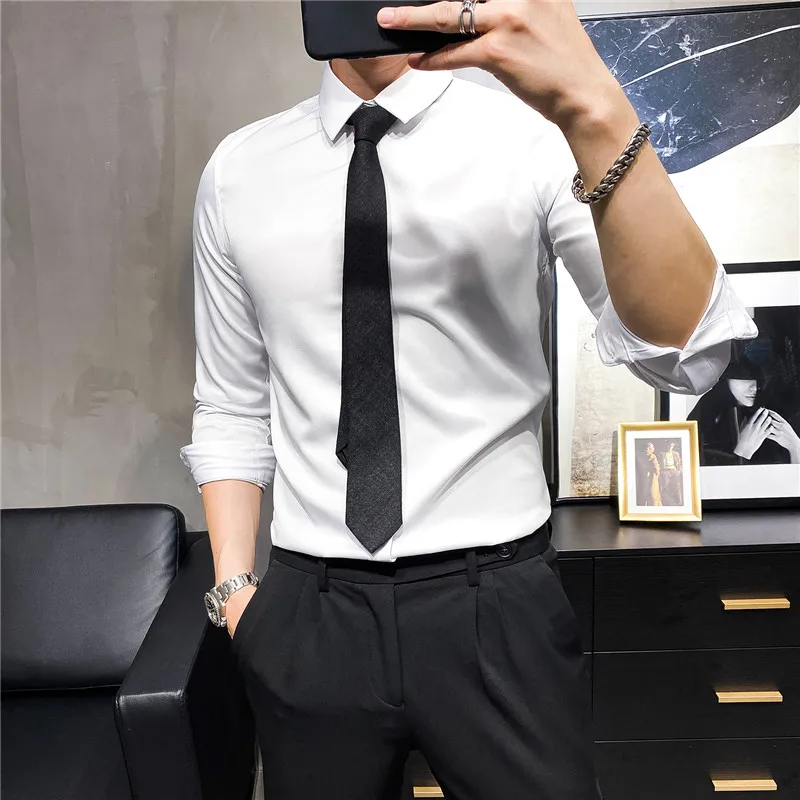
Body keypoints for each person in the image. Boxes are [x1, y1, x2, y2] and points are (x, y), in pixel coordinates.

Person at [178, 2, 758, 798]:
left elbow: (686, 356)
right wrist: (237, 594)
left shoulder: (535, 136)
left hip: (497, 609)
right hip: (310, 615)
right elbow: (231, 404)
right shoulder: (239, 171)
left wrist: (597, 107)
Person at [688, 349, 800, 466]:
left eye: (756, 380)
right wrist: (742, 452)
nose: (754, 387)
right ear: (725, 379)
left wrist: (795, 446)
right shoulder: (707, 412)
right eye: (744, 379)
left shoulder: (768, 414)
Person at [660, 441, 683, 505]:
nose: (670, 447)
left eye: (671, 446)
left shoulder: (676, 454)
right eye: (668, 445)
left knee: (676, 486)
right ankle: (666, 502)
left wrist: (679, 471)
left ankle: (678, 501)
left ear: (673, 446)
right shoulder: (662, 453)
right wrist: (661, 472)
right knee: (665, 486)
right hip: (665, 471)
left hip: (674, 471)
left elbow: (679, 463)